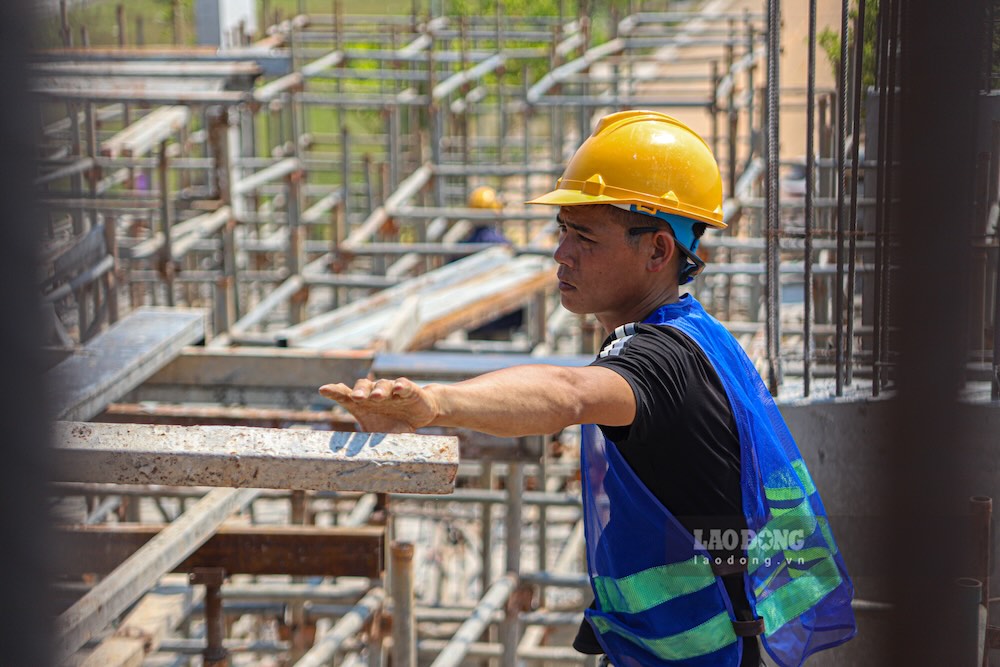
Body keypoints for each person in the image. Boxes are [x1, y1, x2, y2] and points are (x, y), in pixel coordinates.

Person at [320, 111, 856, 667]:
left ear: (657, 252)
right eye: (562, 231)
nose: (561, 254)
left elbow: (568, 393)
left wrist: (435, 404)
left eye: (585, 237)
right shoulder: (695, 335)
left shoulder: (661, 360)